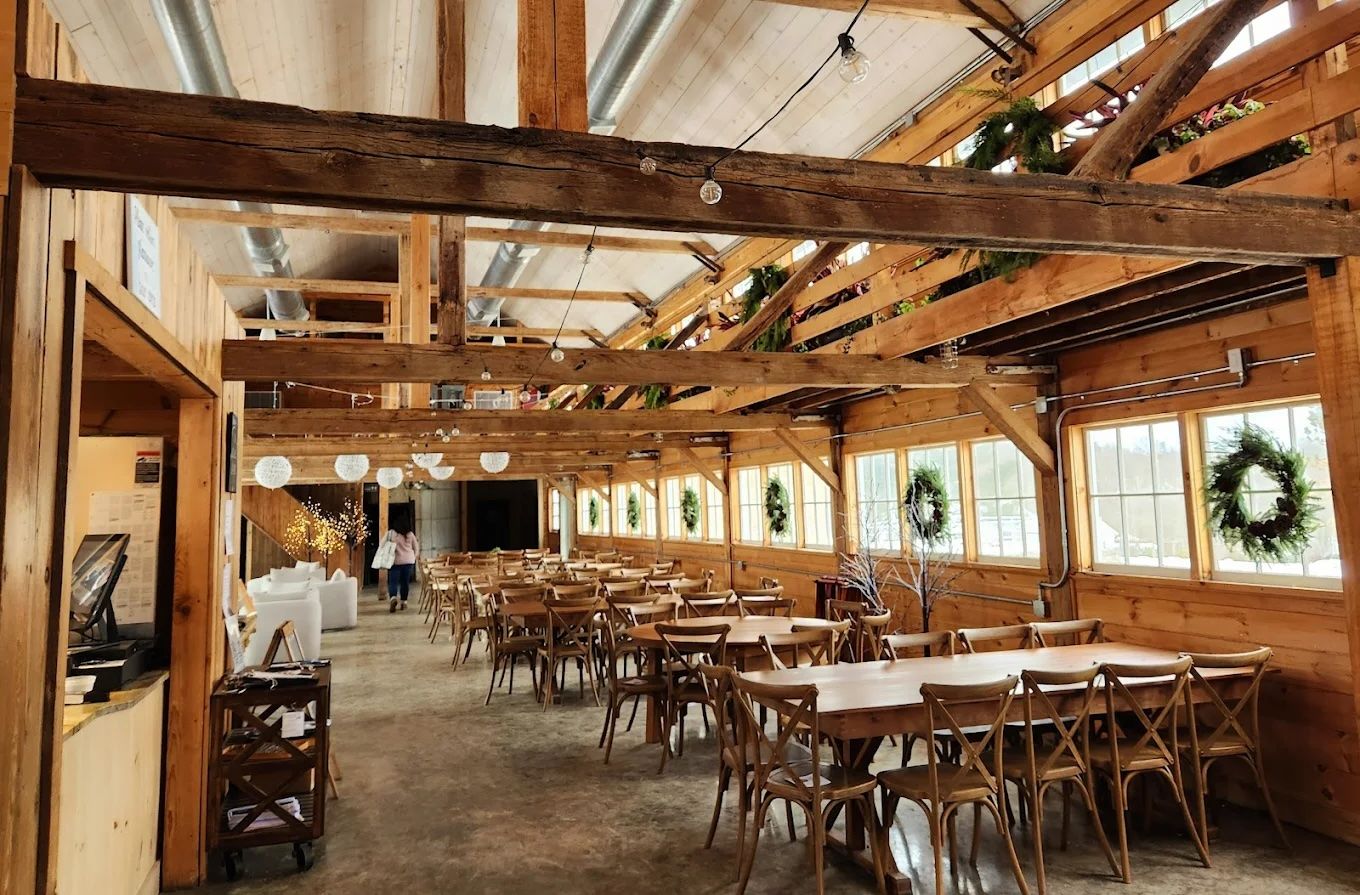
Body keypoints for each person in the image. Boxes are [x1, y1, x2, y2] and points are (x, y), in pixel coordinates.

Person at [387, 529, 419, 612]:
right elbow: (416, 547)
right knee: (404, 583)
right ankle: (404, 602)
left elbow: (385, 546)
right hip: (408, 561)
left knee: (393, 582)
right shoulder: (410, 534)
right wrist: (413, 558)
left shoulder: (392, 533)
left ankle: (393, 598)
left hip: (395, 562)